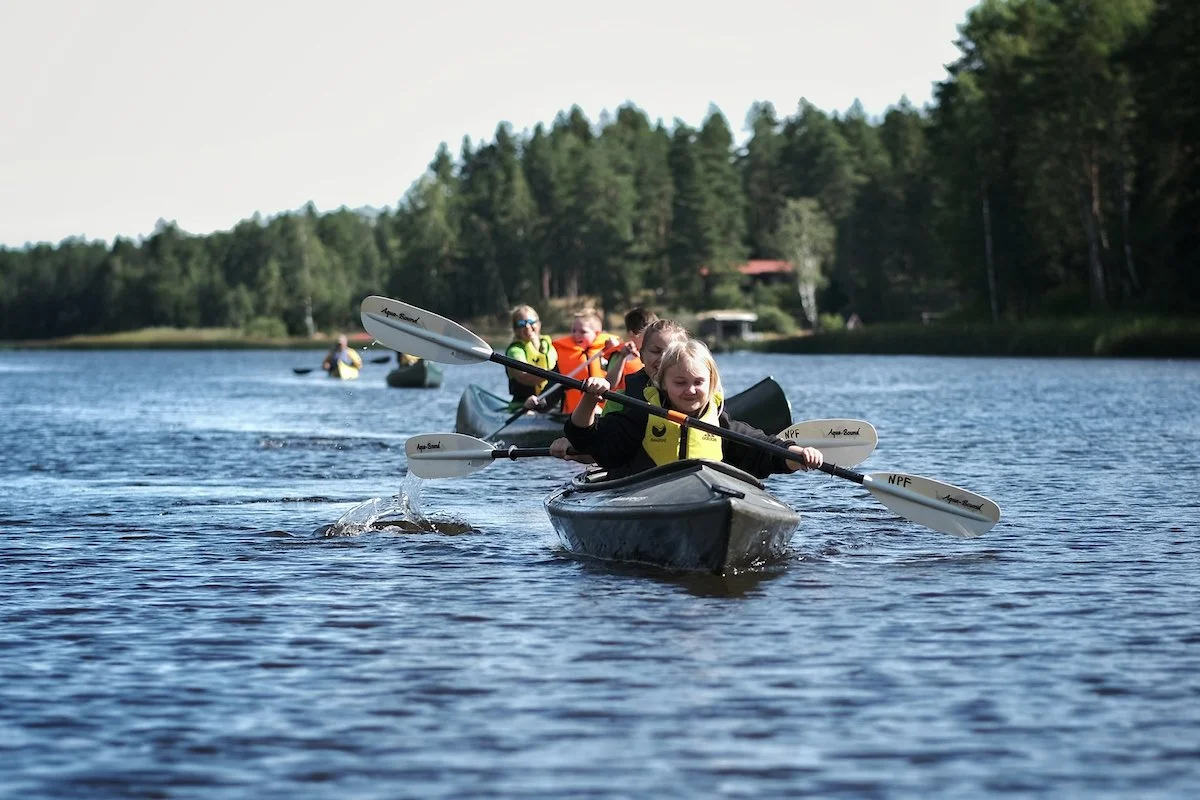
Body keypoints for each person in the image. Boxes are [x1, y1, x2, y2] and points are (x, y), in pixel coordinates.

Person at [563, 338, 824, 480]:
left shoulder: (720, 424)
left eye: (698, 382)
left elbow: (765, 450)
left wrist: (797, 455)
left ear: (711, 383)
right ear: (662, 383)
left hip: (703, 502)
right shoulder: (640, 418)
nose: (690, 390)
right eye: (680, 383)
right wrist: (589, 399)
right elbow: (586, 439)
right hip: (644, 500)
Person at [547, 317, 689, 460]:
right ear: (641, 355)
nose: (663, 358)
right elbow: (600, 449)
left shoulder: (696, 396)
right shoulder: (621, 400)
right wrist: (574, 449)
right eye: (656, 351)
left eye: (671, 353)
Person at [551, 308, 620, 414]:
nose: (576, 335)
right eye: (573, 331)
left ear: (596, 333)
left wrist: (617, 349)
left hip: (604, 412)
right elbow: (554, 387)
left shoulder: (610, 352)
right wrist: (541, 403)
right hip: (573, 414)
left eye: (583, 332)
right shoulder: (564, 357)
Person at [504, 305, 558, 408]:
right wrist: (556, 376)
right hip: (523, 406)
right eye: (522, 324)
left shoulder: (549, 346)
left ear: (539, 324)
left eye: (531, 322)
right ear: (516, 330)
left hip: (550, 405)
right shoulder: (515, 351)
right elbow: (525, 377)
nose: (527, 326)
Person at [603, 307, 658, 392]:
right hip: (624, 399)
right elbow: (609, 383)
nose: (651, 340)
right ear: (631, 334)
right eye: (646, 336)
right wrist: (622, 358)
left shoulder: (656, 354)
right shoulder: (620, 353)